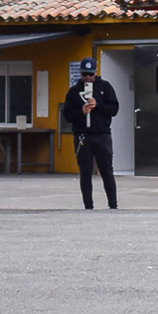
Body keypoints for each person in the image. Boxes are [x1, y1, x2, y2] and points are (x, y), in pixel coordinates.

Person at [60, 57, 119, 210]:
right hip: (83, 136)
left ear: (96, 72)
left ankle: (113, 205)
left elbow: (113, 109)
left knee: (106, 170)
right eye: (85, 74)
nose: (88, 77)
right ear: (80, 72)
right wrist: (81, 111)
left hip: (102, 135)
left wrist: (97, 106)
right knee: (85, 172)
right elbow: (67, 115)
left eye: (91, 74)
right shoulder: (74, 92)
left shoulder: (105, 87)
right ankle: (88, 205)